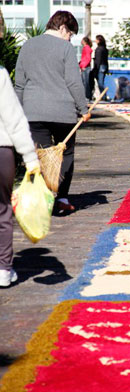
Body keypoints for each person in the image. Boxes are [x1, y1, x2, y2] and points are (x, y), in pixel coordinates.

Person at [15, 10, 91, 213]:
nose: (70, 38)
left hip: (33, 112)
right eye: (70, 34)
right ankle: (62, 199)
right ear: (62, 27)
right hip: (63, 113)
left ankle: (42, 197)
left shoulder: (27, 45)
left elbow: (19, 84)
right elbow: (73, 82)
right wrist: (83, 109)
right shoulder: (65, 49)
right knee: (66, 154)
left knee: (41, 155)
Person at [0, 67, 40, 287]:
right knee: (2, 211)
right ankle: (3, 269)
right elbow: (14, 120)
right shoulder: (0, 75)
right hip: (1, 151)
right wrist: (30, 157)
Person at [92, 34, 109, 99]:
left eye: (96, 40)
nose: (95, 41)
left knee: (100, 83)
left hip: (100, 66)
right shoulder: (104, 48)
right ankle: (103, 96)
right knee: (101, 81)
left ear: (99, 41)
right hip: (104, 66)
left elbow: (98, 59)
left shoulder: (99, 49)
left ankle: (103, 96)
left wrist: (96, 68)